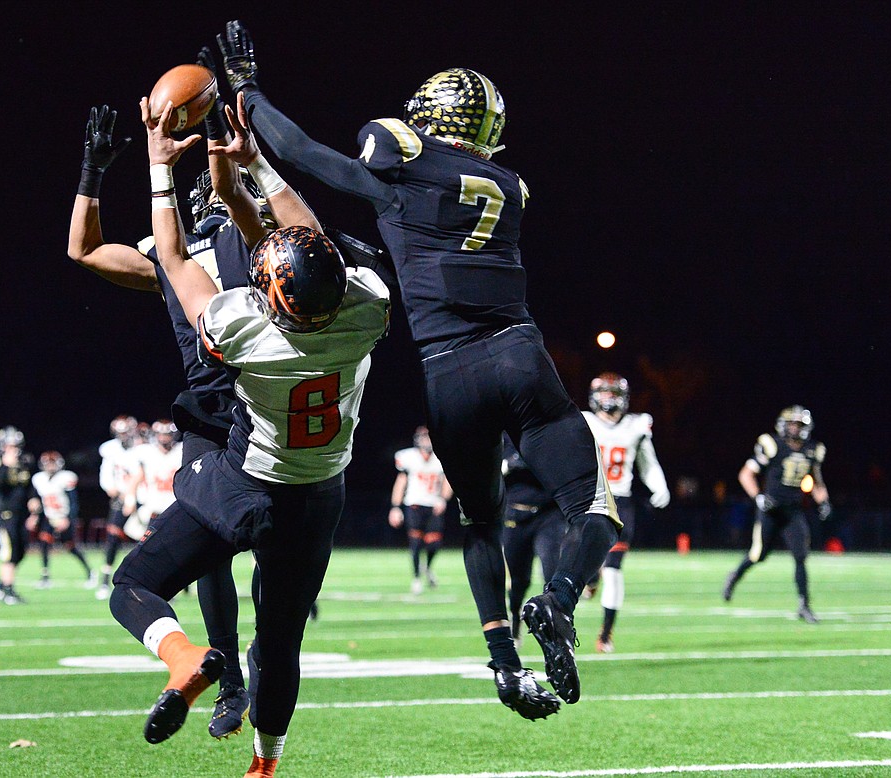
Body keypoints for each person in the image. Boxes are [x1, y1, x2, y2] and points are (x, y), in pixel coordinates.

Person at [217, 20, 618, 709]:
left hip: (447, 374)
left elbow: (303, 153)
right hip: (517, 353)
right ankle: (557, 601)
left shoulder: (402, 161)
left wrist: (247, 89)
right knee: (595, 509)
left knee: (479, 524)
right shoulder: (509, 186)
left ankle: (503, 663)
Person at [104, 95, 394, 778]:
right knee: (281, 642)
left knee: (135, 585)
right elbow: (308, 235)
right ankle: (264, 767)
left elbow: (173, 255)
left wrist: (158, 167)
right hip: (317, 497)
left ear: (265, 292)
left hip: (245, 483)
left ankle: (186, 659)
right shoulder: (366, 308)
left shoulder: (242, 328)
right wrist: (255, 169)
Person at [67, 78, 314, 739]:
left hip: (243, 405)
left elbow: (88, 250)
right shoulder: (209, 242)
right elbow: (88, 251)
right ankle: (232, 680)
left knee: (235, 552)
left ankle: (237, 677)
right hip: (227, 412)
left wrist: (118, 168)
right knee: (225, 553)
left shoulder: (245, 239)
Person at [581, 373, 670, 653]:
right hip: (586, 499)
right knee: (586, 562)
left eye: (615, 394)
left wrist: (659, 485)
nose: (610, 400)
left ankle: (606, 633)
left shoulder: (636, 425)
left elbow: (648, 462)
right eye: (605, 393)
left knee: (615, 570)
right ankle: (590, 577)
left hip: (620, 502)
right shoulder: (584, 422)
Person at [723, 405, 831, 623]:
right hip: (771, 510)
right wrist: (759, 497)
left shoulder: (813, 449)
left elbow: (817, 481)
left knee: (801, 556)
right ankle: (735, 576)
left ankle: (804, 604)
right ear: (784, 425)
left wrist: (824, 501)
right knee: (759, 555)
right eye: (793, 424)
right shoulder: (772, 445)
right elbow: (745, 475)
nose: (796, 429)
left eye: (800, 425)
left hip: (793, 511)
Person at [500, 438, 566, 645]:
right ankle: (515, 619)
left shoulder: (552, 432)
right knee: (519, 579)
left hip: (549, 514)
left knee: (551, 572)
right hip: (515, 514)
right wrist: (510, 463)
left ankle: (556, 627)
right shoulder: (504, 436)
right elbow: (486, 467)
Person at [388, 426, 452, 594]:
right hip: (414, 504)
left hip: (433, 504)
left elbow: (447, 480)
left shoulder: (441, 457)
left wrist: (443, 499)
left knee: (434, 543)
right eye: (424, 437)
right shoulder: (408, 457)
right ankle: (416, 578)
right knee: (415, 543)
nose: (427, 441)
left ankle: (427, 568)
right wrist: (395, 507)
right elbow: (401, 482)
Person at [0, 425, 40, 605]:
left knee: (21, 552)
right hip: (2, 513)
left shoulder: (24, 462)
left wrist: (34, 503)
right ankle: (7, 590)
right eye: (9, 446)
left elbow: (29, 487)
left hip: (20, 514)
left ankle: (0, 586)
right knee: (9, 551)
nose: (13, 450)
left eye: (15, 446)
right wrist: (7, 465)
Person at [30, 450, 95, 589]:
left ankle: (90, 572)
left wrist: (68, 519)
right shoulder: (39, 479)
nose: (50, 467)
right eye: (47, 464)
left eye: (53, 464)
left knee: (71, 547)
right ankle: (45, 576)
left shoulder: (65, 478)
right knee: (44, 543)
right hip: (49, 517)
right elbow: (35, 499)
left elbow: (73, 502)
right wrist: (34, 514)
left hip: (63, 516)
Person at [96, 415, 144, 600]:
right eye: (120, 432)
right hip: (120, 500)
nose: (123, 436)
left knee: (150, 540)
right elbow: (107, 479)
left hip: (143, 499)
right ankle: (105, 580)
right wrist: (117, 492)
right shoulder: (110, 450)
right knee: (112, 538)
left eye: (126, 432)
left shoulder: (142, 449)